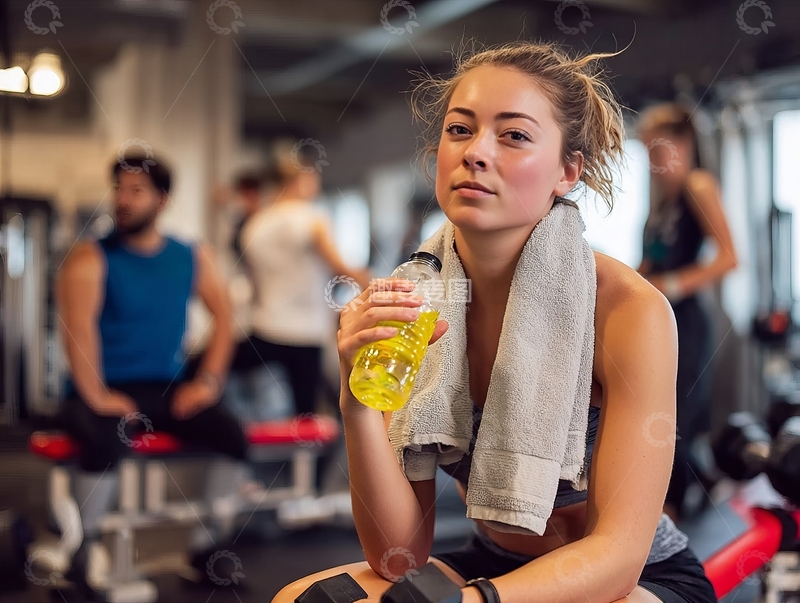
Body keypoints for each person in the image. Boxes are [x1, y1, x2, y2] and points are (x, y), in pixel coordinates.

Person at [273, 41, 717, 603]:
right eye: (460, 129)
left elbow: (618, 561)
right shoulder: (417, 300)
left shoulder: (629, 309)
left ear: (567, 171)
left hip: (631, 580)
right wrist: (357, 400)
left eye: (514, 135)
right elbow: (397, 556)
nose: (476, 152)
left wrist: (475, 601)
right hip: (495, 563)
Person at [58, 154, 248, 589]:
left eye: (136, 191)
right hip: (98, 388)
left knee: (229, 433)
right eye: (119, 190)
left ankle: (208, 549)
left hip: (164, 388)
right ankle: (83, 554)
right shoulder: (89, 258)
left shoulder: (191, 255)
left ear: (162, 200)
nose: (123, 200)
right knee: (106, 438)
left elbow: (225, 318)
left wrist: (208, 383)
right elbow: (78, 333)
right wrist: (98, 396)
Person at [637, 104, 738, 521]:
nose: (653, 162)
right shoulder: (663, 200)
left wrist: (673, 285)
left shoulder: (698, 185)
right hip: (658, 318)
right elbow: (650, 264)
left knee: (674, 413)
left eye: (658, 151)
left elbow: (729, 258)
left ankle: (672, 510)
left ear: (683, 144)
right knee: (651, 407)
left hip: (688, 319)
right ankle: (697, 487)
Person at [233, 142, 370, 418]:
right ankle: (305, 461)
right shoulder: (312, 219)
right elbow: (341, 269)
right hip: (305, 334)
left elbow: (253, 282)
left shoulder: (255, 223)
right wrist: (375, 283)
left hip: (263, 329)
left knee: (261, 405)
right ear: (303, 179)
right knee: (306, 418)